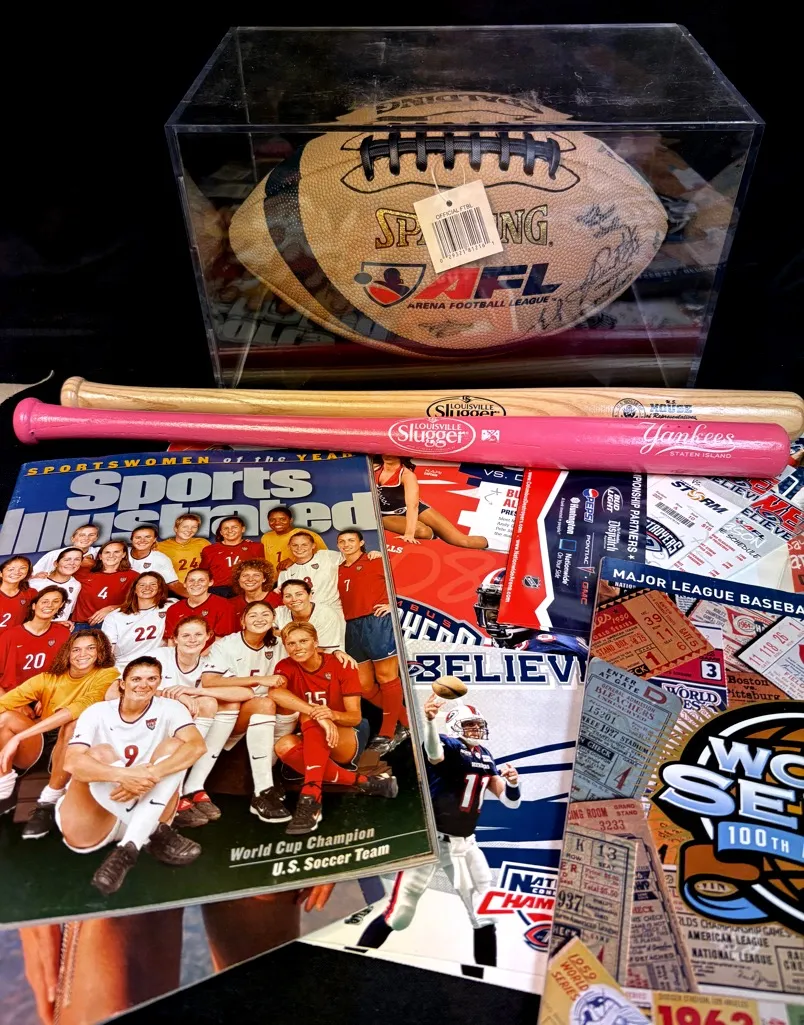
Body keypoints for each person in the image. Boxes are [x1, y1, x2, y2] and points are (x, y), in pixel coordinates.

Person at [357, 696, 520, 973]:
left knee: (484, 915)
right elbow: (434, 754)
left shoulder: (485, 755)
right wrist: (430, 721)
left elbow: (510, 801)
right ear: (455, 726)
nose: (476, 730)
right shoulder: (448, 744)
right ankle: (358, 956)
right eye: (469, 725)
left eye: (478, 725)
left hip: (465, 845)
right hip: (431, 841)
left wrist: (514, 784)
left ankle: (483, 978)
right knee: (400, 915)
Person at [57, 656, 206, 896]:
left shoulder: (171, 708)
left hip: (148, 797)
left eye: (151, 679)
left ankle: (129, 848)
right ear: (123, 684)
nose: (144, 685)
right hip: (98, 812)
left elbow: (197, 746)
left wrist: (153, 773)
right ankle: (153, 831)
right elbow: (71, 761)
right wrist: (123, 775)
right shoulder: (97, 712)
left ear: (159, 682)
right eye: (136, 679)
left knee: (177, 747)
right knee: (100, 754)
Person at [177, 601, 300, 828]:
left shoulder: (280, 644)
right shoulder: (227, 644)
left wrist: (338, 653)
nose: (259, 619)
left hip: (261, 710)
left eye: (265, 614)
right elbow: (209, 681)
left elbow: (306, 652)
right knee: (264, 703)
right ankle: (263, 789)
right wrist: (259, 679)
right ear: (242, 621)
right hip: (229, 711)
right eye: (253, 615)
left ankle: (267, 780)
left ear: (273, 620)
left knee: (285, 704)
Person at [272, 622, 399, 837]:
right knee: (283, 746)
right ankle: (365, 783)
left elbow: (354, 716)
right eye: (291, 643)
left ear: (316, 643)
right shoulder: (286, 666)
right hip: (314, 736)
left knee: (311, 716)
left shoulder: (340, 664)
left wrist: (329, 715)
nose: (297, 647)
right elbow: (275, 693)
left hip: (349, 734)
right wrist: (316, 712)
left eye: (303, 641)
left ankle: (310, 798)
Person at [0, 630, 119, 832]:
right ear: (67, 653)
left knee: (74, 723)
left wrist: (21, 736)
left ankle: (48, 803)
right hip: (40, 742)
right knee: (6, 718)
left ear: (100, 652)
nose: (83, 654)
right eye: (76, 650)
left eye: (90, 648)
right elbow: (5, 702)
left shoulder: (107, 675)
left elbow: (79, 707)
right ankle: (5, 790)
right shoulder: (48, 678)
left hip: (75, 745)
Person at [336, 529, 408, 756]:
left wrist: (393, 605)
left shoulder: (376, 560)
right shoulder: (338, 568)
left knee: (387, 677)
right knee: (365, 686)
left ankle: (388, 731)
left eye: (351, 540)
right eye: (342, 541)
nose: (346, 544)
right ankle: (407, 720)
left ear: (361, 542)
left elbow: (406, 580)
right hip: (350, 626)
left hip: (376, 622)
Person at [373, 455, 488, 548]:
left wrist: (409, 534)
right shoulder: (373, 468)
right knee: (423, 531)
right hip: (386, 514)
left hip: (411, 508)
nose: (388, 456)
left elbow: (413, 506)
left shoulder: (407, 475)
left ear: (402, 455)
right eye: (385, 452)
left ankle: (492, 543)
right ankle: (433, 537)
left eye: (392, 453)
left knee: (463, 541)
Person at [102, 573, 176, 674]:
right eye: (142, 585)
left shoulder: (171, 606)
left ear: (160, 588)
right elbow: (108, 650)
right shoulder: (115, 616)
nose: (147, 588)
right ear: (134, 589)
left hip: (159, 665)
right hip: (124, 667)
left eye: (153, 584)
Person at [0, 586, 70, 691]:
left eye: (55, 601)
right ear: (34, 605)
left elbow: (64, 669)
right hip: (13, 693)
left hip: (45, 692)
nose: (49, 605)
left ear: (61, 605)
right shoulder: (10, 636)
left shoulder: (63, 633)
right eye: (44, 601)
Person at [277, 531, 350, 615]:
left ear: (313, 545)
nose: (299, 548)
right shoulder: (286, 572)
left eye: (304, 545)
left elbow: (354, 556)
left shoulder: (326, 556)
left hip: (332, 612)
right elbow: (286, 599)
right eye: (295, 545)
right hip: (305, 616)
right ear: (289, 546)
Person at [73, 541, 139, 629]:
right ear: (100, 556)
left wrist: (112, 608)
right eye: (107, 552)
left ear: (123, 554)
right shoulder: (83, 572)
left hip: (114, 625)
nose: (111, 555)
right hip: (82, 625)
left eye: (116, 552)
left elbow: (141, 603)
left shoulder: (133, 576)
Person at [163, 567, 238, 641]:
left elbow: (221, 641)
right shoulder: (174, 608)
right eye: (191, 580)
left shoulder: (224, 605)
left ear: (210, 582)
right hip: (182, 649)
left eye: (201, 580)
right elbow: (171, 641)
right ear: (185, 584)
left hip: (214, 649)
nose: (196, 584)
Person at [274, 579, 345, 653]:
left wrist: (286, 635)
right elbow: (266, 629)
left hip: (324, 656)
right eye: (288, 596)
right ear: (282, 599)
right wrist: (276, 632)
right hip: (289, 656)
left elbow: (322, 650)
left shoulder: (325, 614)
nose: (294, 599)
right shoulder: (280, 612)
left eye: (299, 594)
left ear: (310, 595)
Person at [199, 516, 264, 596]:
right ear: (221, 532)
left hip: (245, 590)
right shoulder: (209, 550)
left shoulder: (256, 547)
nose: (230, 530)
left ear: (243, 529)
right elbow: (202, 573)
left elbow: (262, 571)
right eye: (225, 528)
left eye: (234, 527)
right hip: (217, 591)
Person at [260, 506, 327, 573]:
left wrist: (294, 559)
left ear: (291, 520)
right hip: (274, 578)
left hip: (301, 576)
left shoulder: (307, 534)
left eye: (282, 519)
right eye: (272, 520)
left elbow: (324, 556)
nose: (277, 523)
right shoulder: (266, 537)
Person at [29, 547, 83, 622]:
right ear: (56, 563)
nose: (72, 563)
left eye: (77, 559)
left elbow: (67, 612)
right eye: (67, 559)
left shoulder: (76, 585)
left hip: (59, 627)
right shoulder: (36, 582)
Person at [127, 525, 182, 595]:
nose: (142, 540)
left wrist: (194, 597)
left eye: (148, 537)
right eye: (138, 537)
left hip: (145, 595)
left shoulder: (161, 558)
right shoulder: (120, 552)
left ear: (154, 539)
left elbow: (174, 585)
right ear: (131, 539)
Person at [157, 513, 210, 584]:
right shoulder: (160, 547)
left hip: (199, 586)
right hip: (173, 587)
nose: (189, 530)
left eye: (194, 527)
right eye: (185, 526)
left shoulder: (203, 543)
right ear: (176, 528)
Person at [31, 524, 100, 576]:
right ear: (73, 539)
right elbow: (33, 574)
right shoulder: (54, 555)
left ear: (96, 538)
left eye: (91, 535)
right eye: (82, 535)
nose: (86, 538)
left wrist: (93, 563)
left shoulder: (100, 552)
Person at [0, 556, 35, 631]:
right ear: (1, 573)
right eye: (11, 569)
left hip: (15, 637)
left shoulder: (31, 593)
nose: (17, 572)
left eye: (22, 568)